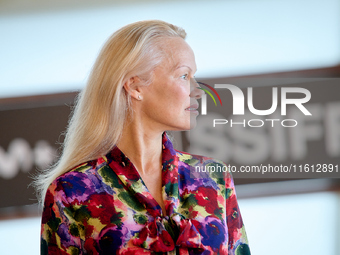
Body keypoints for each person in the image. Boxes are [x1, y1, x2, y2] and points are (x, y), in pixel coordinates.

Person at [36, 20, 250, 255]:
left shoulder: (214, 178)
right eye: (183, 76)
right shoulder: (70, 192)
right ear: (135, 86)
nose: (197, 90)